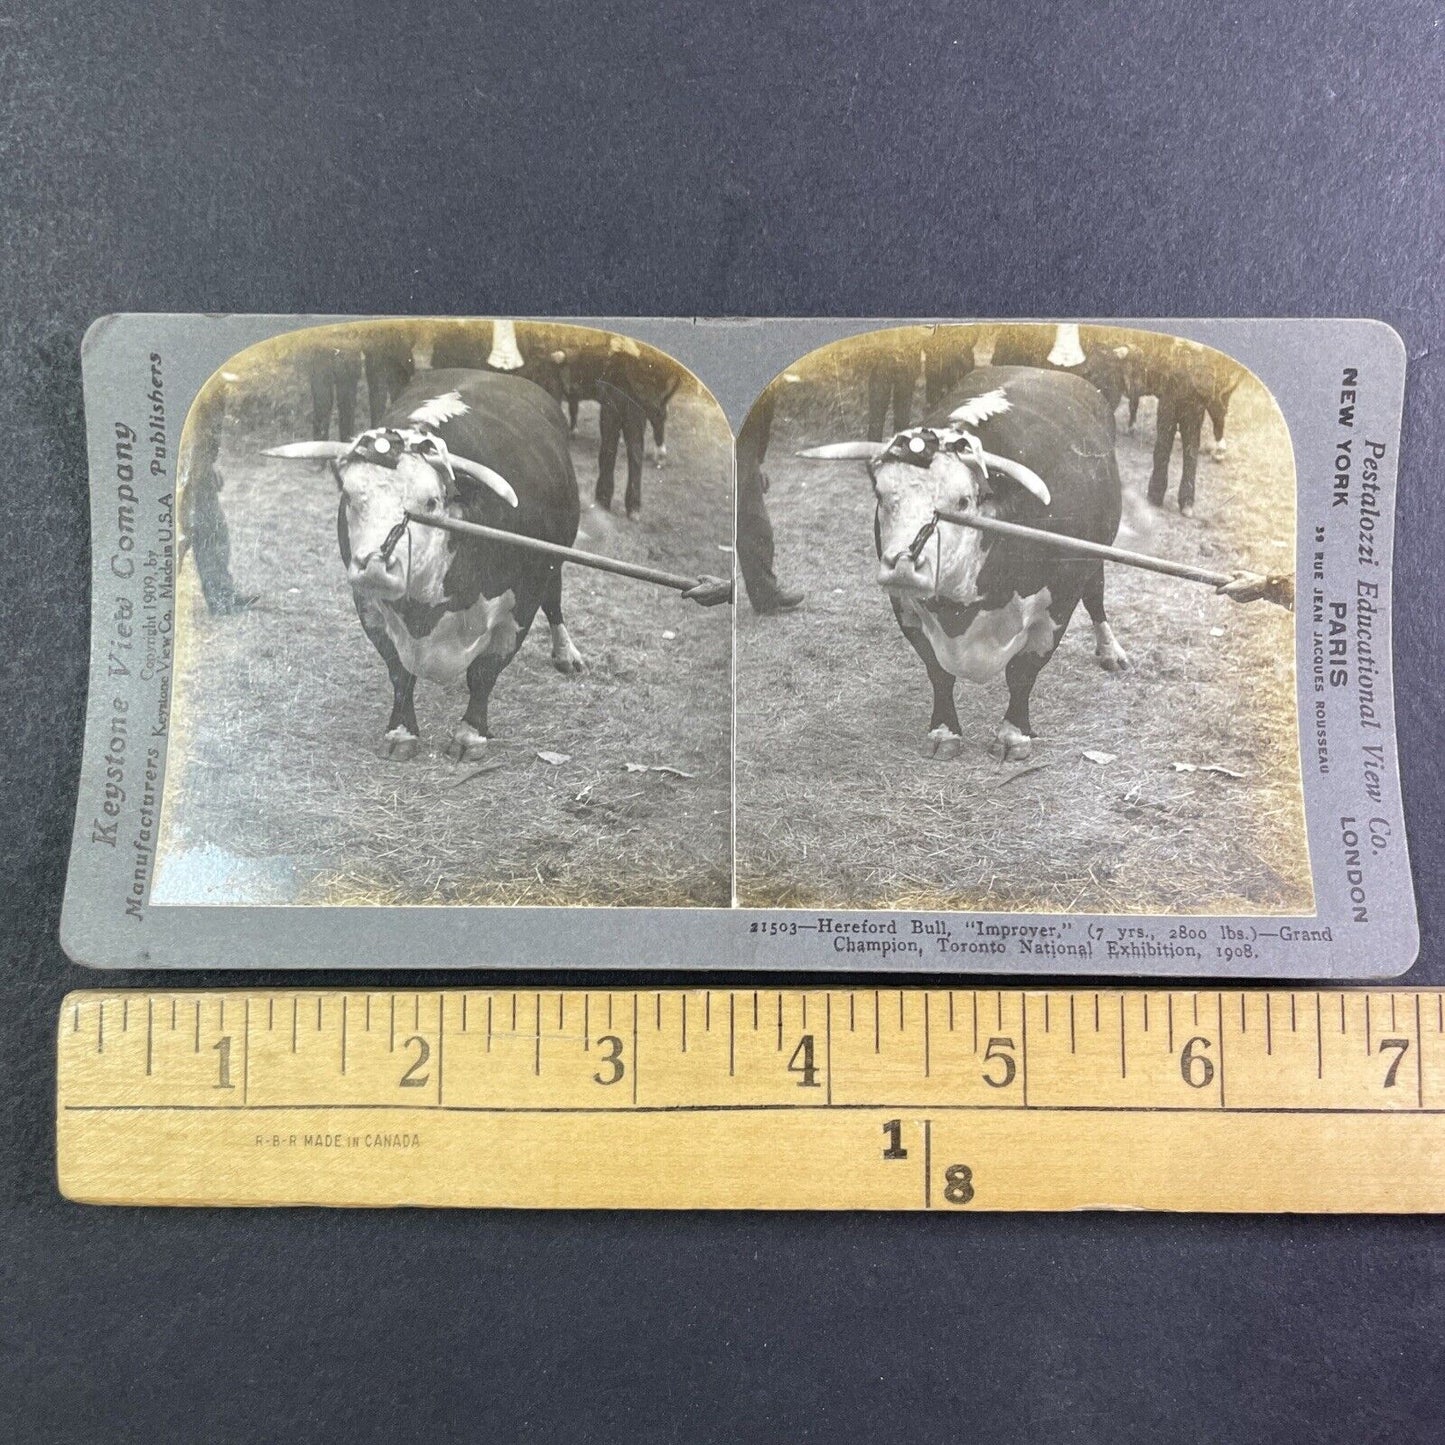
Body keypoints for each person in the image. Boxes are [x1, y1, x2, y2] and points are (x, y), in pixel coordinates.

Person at [179, 372, 257, 615]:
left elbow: (206, 438)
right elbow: (187, 436)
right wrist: (193, 474)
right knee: (196, 534)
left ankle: (222, 595)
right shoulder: (199, 390)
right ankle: (219, 597)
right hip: (187, 473)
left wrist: (208, 467)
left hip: (198, 470)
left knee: (213, 532)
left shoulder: (215, 392)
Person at [735, 378, 804, 614]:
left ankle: (766, 597)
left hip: (748, 452)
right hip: (734, 448)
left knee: (758, 526)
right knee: (735, 520)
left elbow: (760, 425)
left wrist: (755, 464)